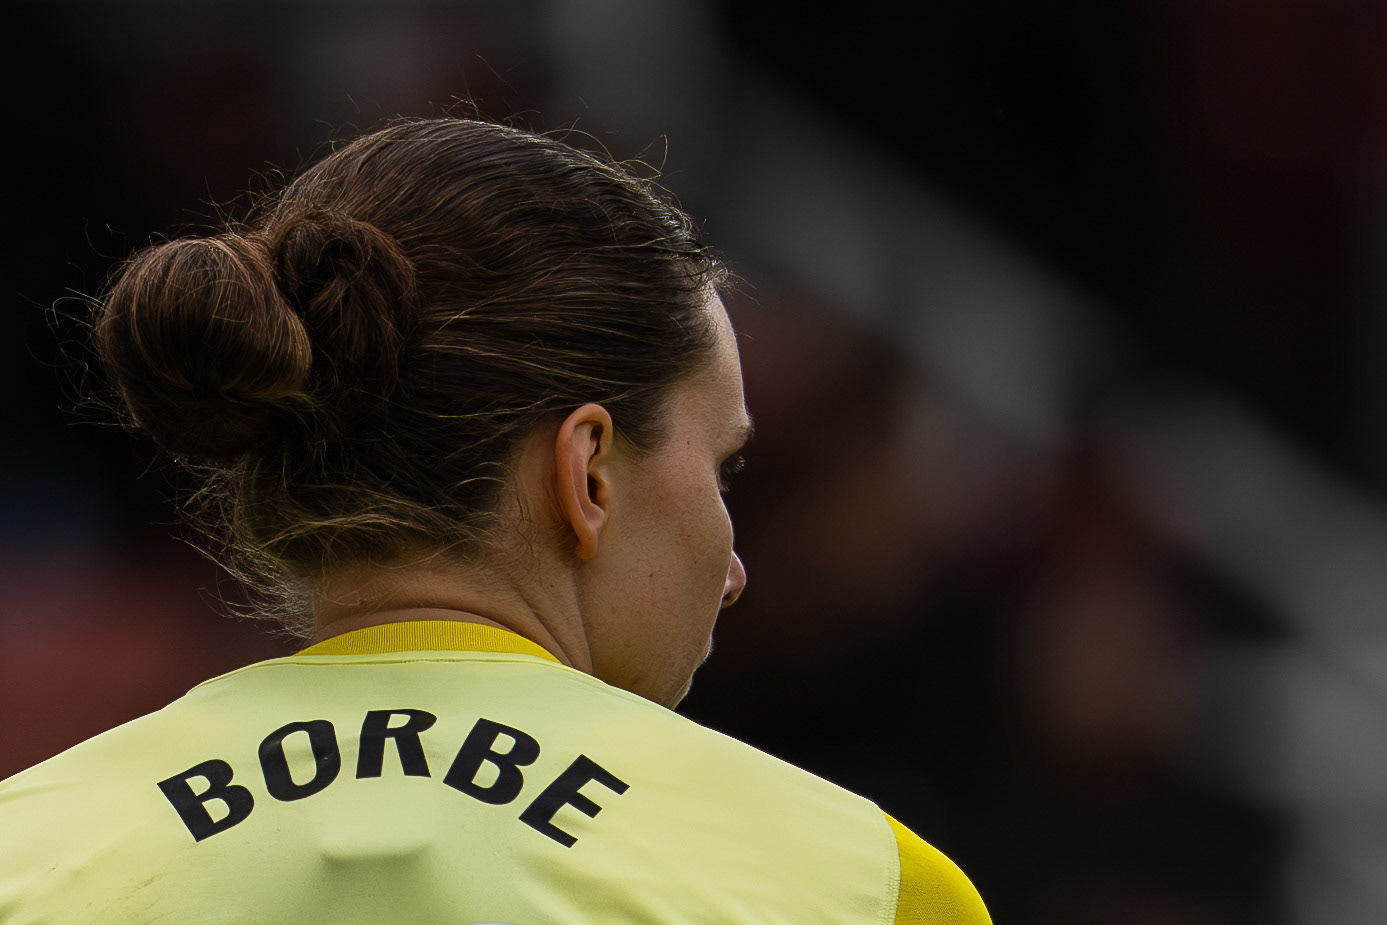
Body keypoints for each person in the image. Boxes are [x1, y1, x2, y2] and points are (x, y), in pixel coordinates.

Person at [0, 118, 991, 924]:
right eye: (723, 467)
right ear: (588, 470)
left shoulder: (25, 852)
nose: (733, 565)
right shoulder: (856, 886)